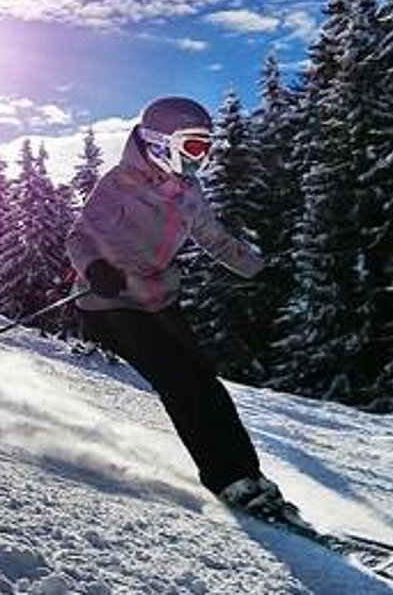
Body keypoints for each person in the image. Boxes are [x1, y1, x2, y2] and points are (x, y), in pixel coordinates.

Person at [66, 95, 290, 519]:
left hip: (158, 298)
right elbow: (79, 237)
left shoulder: (190, 192)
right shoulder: (118, 183)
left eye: (206, 148)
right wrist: (95, 268)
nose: (200, 158)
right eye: (193, 147)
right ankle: (227, 480)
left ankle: (250, 476)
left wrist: (259, 271)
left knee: (206, 381)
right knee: (180, 383)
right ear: (158, 142)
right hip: (111, 302)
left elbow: (215, 240)